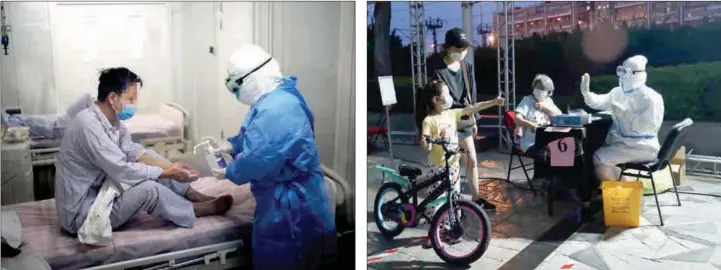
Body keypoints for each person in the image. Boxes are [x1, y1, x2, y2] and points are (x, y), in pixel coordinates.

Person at [55, 67, 233, 236]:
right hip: (83, 214)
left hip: (100, 192)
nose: (134, 105)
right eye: (131, 99)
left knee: (151, 157)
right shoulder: (88, 125)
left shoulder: (112, 122)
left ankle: (193, 195)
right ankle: (195, 210)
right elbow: (122, 170)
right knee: (150, 189)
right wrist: (165, 172)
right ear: (112, 98)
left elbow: (133, 151)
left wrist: (170, 167)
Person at [207, 44, 336, 270]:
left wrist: (229, 171)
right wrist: (231, 145)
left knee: (285, 259)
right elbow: (259, 139)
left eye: (236, 84)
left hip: (291, 210)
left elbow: (258, 159)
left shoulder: (278, 109)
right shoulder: (276, 99)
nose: (235, 91)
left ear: (253, 78)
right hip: (286, 198)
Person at [430, 27, 496, 210]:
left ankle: (475, 198)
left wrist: (474, 118)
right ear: (448, 48)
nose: (461, 53)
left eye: (463, 49)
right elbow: (440, 101)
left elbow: (471, 94)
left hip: (465, 117)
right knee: (452, 163)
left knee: (472, 160)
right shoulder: (437, 70)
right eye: (457, 49)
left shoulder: (466, 67)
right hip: (448, 119)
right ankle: (453, 203)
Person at [580, 55, 664, 182]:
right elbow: (599, 102)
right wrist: (587, 94)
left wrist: (626, 114)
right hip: (624, 143)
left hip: (643, 146)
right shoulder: (618, 92)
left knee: (600, 157)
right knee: (602, 153)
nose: (622, 76)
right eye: (621, 71)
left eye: (626, 72)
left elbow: (647, 126)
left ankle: (615, 193)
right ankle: (618, 190)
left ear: (637, 74)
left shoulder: (651, 98)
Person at [513, 74, 563, 180]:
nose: (539, 90)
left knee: (561, 150)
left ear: (549, 92)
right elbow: (517, 118)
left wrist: (546, 109)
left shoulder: (548, 102)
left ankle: (554, 181)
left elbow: (560, 117)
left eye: (542, 88)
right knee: (543, 154)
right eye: (537, 87)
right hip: (530, 142)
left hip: (548, 140)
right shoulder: (527, 100)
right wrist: (530, 125)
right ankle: (540, 179)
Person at [1, 92, 95, 139]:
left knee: (26, 121)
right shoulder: (91, 99)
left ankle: (7, 121)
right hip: (59, 123)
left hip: (57, 126)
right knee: (27, 121)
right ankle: (7, 120)